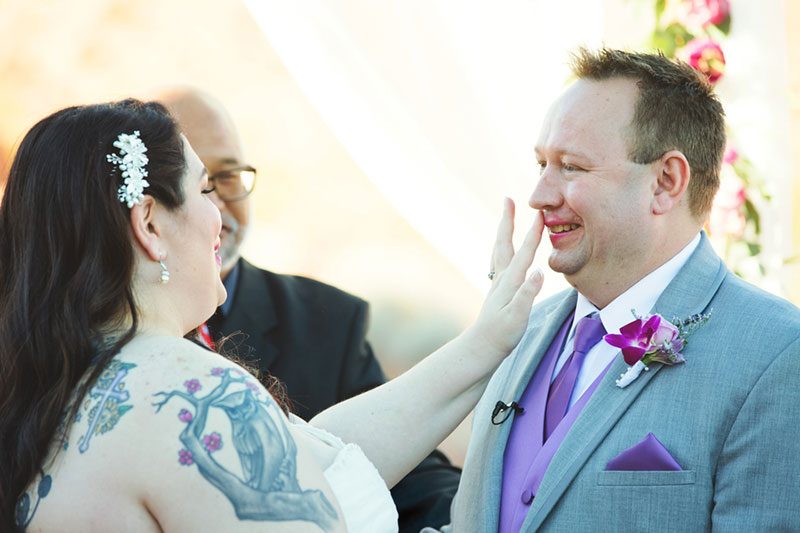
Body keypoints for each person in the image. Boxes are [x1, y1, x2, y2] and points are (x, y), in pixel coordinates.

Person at [0, 98, 545, 532]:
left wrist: (487, 340)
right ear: (148, 224)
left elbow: (321, 456)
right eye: (204, 189)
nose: (220, 217)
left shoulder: (52, 386)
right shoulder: (203, 397)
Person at [436, 48, 800, 532]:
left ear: (665, 183)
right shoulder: (515, 333)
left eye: (571, 167)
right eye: (542, 163)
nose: (540, 196)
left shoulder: (776, 353)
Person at [155, 88, 463, 531]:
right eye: (195, 183)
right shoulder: (100, 330)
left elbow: (414, 478)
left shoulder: (329, 321)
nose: (217, 206)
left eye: (229, 176)